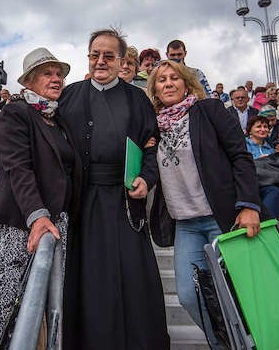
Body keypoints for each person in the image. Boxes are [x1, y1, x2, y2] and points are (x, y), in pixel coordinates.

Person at [59, 29, 169, 349]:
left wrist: (147, 179)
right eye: (95, 55)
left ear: (122, 61)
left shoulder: (137, 98)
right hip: (83, 201)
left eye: (109, 55)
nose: (101, 61)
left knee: (133, 276)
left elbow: (152, 148)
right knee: (88, 278)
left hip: (124, 201)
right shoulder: (69, 95)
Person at [147, 60, 262, 349]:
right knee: (189, 295)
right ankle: (224, 345)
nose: (169, 83)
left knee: (239, 296)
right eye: (162, 80)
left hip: (223, 219)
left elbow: (241, 156)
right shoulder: (152, 126)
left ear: (187, 83)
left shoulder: (209, 110)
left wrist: (249, 205)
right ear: (155, 89)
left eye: (175, 77)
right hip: (186, 225)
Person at [0, 47, 81, 349]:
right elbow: (16, 168)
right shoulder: (16, 112)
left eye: (59, 74)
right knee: (6, 308)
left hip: (56, 226)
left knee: (47, 307)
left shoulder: (59, 119)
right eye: (47, 73)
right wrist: (36, 215)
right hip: (18, 225)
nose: (56, 79)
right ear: (28, 82)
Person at [246, 116, 279, 221]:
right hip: (256, 181)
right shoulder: (243, 145)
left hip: (274, 179)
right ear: (250, 130)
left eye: (265, 127)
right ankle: (269, 226)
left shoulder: (271, 147)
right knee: (272, 191)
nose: (263, 129)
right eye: (258, 127)